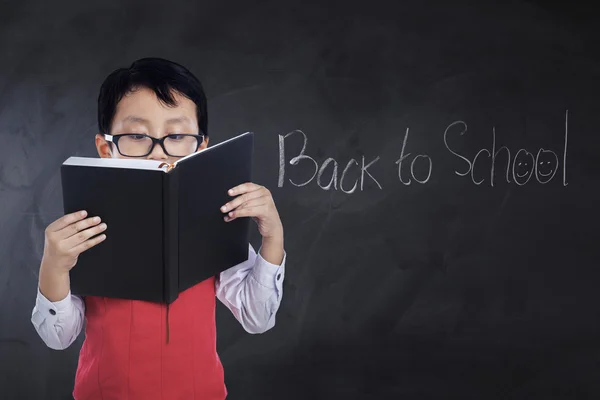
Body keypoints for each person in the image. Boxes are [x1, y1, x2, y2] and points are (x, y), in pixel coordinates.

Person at [30, 57, 286, 399]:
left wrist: (273, 238)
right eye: (137, 135)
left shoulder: (214, 220)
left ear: (202, 146)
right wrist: (54, 265)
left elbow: (257, 319)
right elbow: (57, 338)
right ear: (106, 149)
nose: (157, 153)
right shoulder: (86, 227)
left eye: (177, 135)